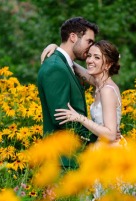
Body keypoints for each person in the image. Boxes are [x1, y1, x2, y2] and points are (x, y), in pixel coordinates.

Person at [37, 17, 99, 169]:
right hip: (62, 161)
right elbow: (62, 119)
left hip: (71, 158)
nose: (91, 48)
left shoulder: (66, 65)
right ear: (73, 37)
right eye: (89, 41)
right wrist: (96, 139)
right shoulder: (55, 67)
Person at [41, 40, 123, 145]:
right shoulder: (99, 83)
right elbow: (70, 62)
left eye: (97, 57)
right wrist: (57, 48)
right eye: (89, 56)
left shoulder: (107, 90)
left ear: (108, 65)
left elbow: (111, 135)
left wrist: (79, 117)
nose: (89, 60)